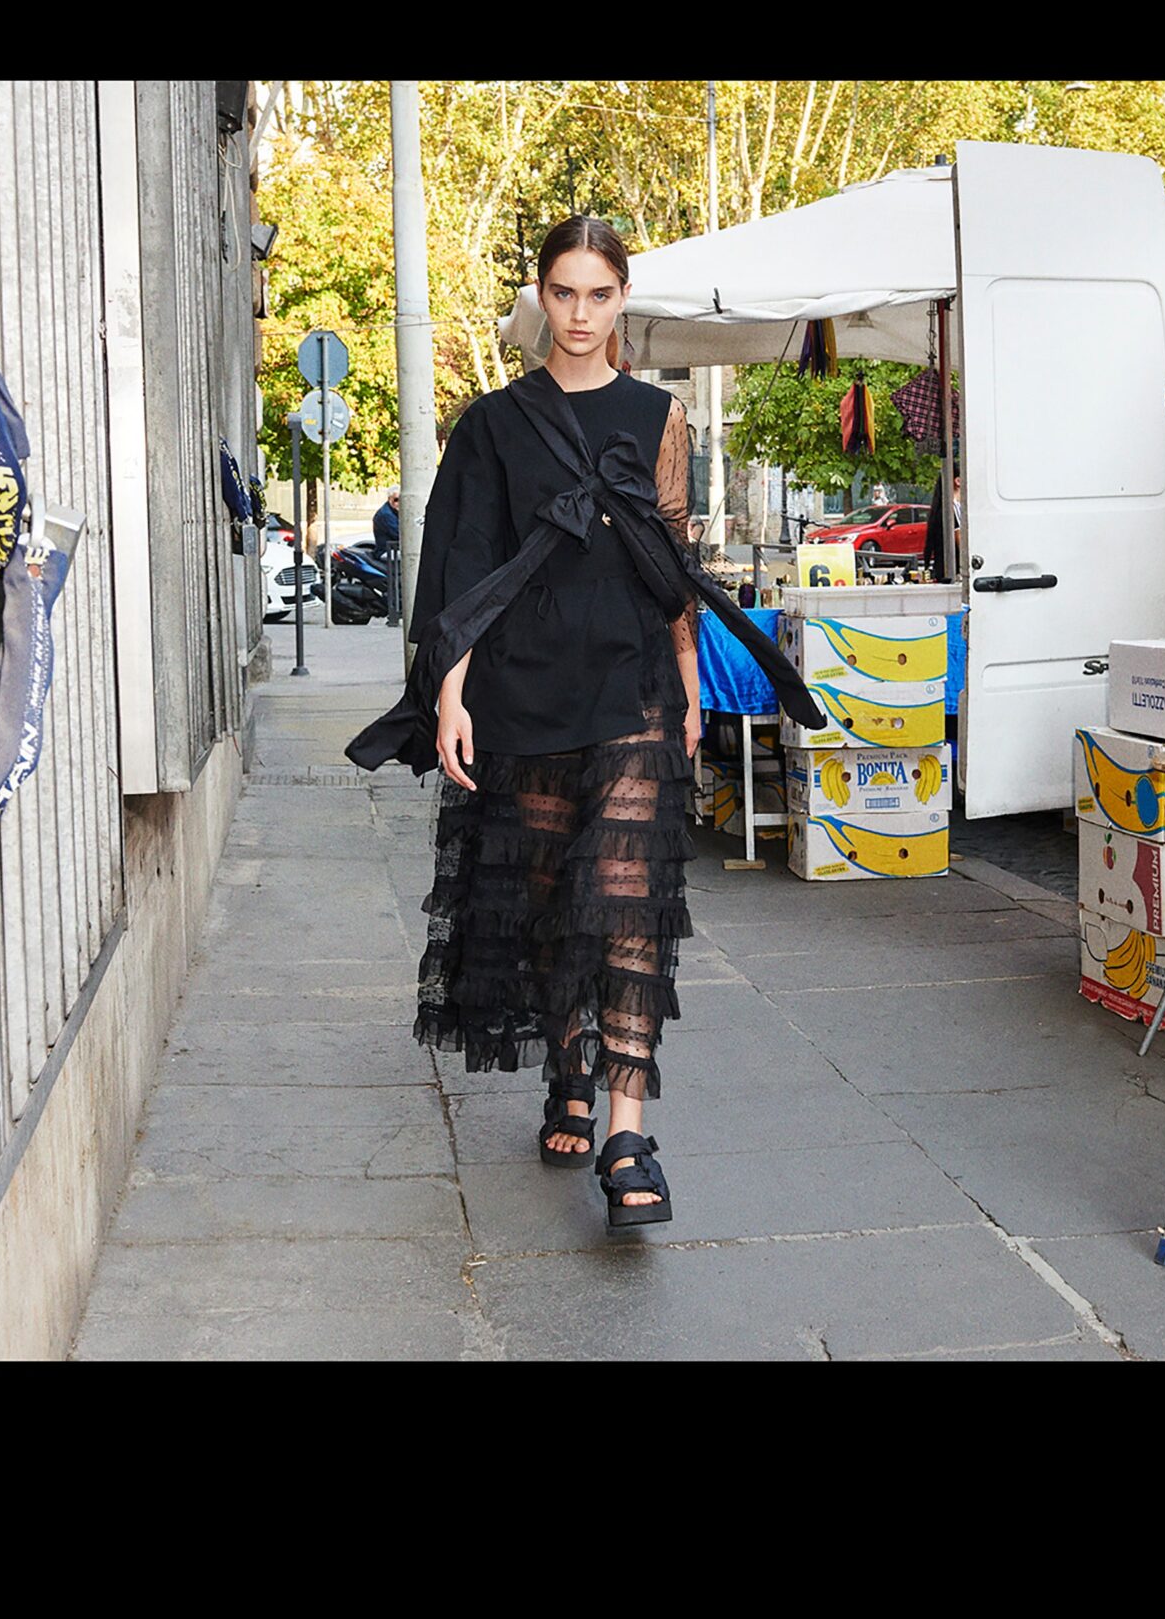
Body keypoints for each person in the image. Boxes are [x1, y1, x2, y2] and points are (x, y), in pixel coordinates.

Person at [346, 215, 823, 1233]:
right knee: (551, 898)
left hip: (632, 686)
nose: (578, 314)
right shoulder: (492, 424)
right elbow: (465, 568)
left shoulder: (658, 417)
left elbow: (671, 559)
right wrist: (449, 691)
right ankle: (567, 1067)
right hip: (522, 690)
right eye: (563, 293)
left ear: (621, 299)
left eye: (597, 295)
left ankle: (626, 1127)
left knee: (628, 897)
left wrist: (691, 676)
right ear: (540, 295)